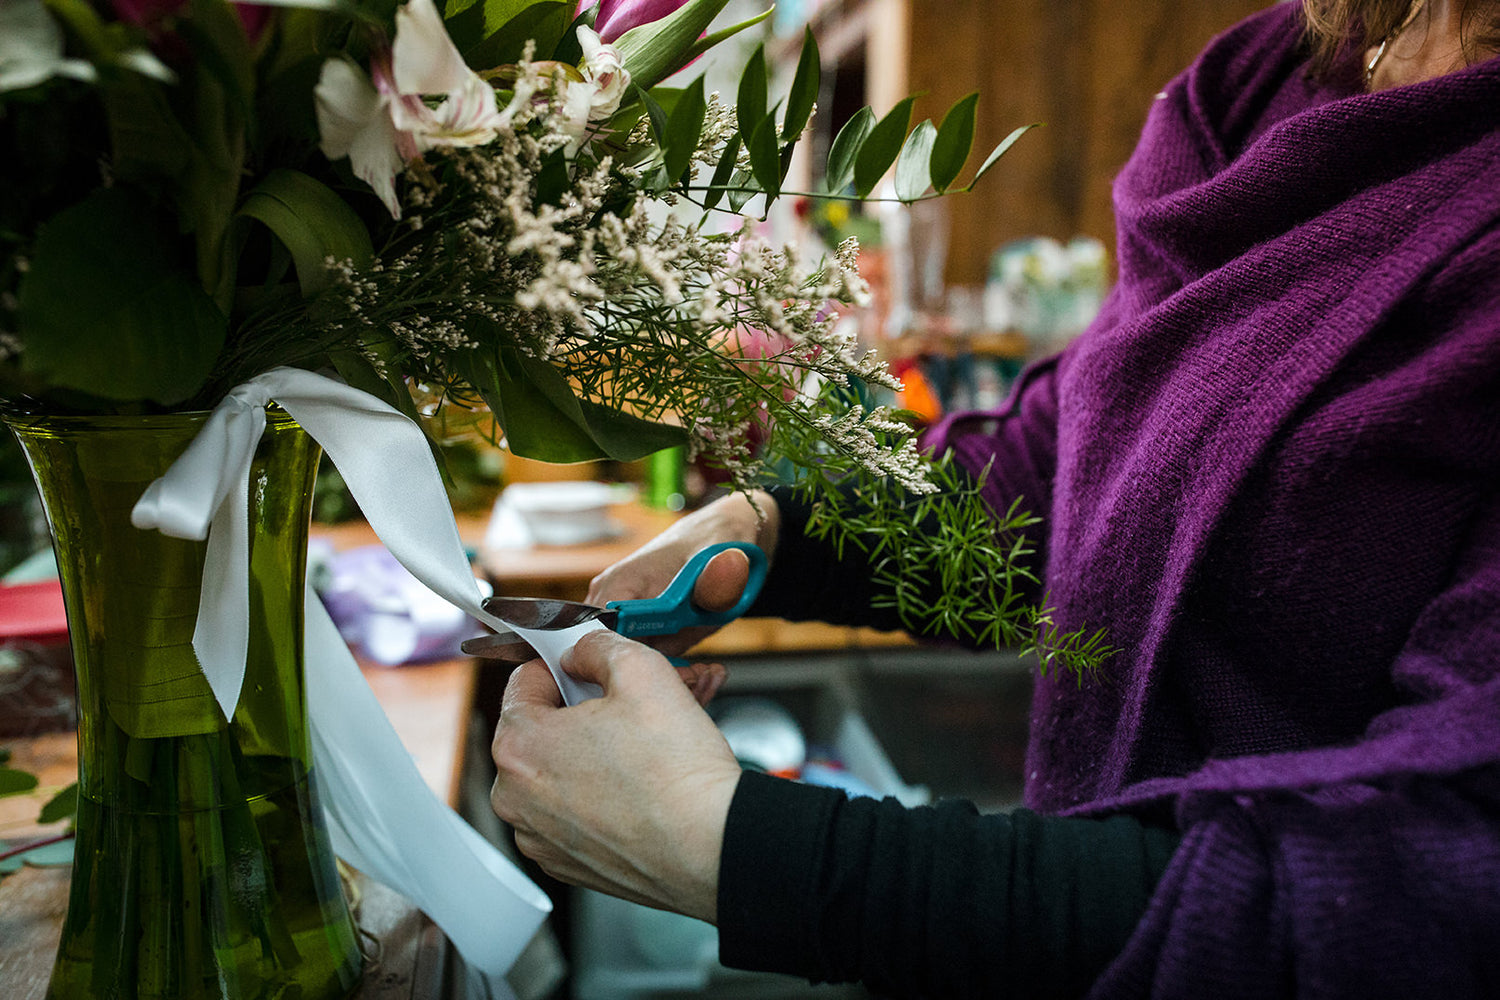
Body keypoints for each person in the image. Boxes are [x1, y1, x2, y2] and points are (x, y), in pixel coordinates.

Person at [488, 1, 1500, 996]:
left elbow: (1426, 887)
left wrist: (741, 850)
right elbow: (1076, 468)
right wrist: (777, 531)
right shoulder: (1260, 82)